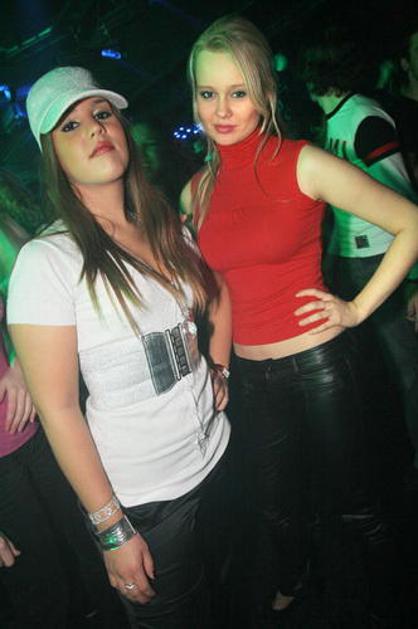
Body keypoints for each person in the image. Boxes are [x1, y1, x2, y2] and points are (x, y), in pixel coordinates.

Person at [180, 15, 418, 627]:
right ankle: (295, 576)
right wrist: (220, 364)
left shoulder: (303, 162)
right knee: (274, 504)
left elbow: (410, 223)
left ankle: (392, 599)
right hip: (252, 377)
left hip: (320, 365)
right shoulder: (195, 192)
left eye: (238, 92)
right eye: (208, 93)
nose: (222, 109)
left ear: (265, 93)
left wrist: (357, 308)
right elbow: (219, 292)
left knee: (356, 503)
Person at [7, 66, 232, 629]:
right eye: (70, 125)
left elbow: (214, 298)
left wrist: (219, 366)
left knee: (226, 598)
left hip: (220, 456)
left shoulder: (165, 225)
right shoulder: (48, 260)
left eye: (102, 113)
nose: (93, 128)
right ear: (52, 156)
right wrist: (111, 528)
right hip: (149, 502)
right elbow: (58, 408)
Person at [299, 34, 418, 472]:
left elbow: (404, 201)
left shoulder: (366, 119)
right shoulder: (333, 123)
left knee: (407, 369)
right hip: (352, 263)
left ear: (317, 73)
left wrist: (415, 279)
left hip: (385, 261)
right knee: (385, 369)